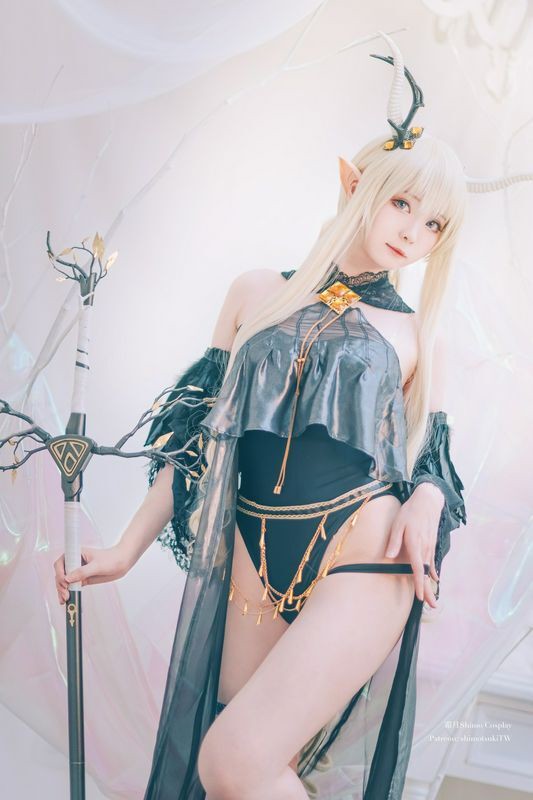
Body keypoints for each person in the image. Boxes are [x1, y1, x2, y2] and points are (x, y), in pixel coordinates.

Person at [53, 34, 468, 800]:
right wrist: (124, 549)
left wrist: (428, 495)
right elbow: (195, 437)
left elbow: (434, 458)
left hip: (364, 551)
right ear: (353, 184)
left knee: (232, 760)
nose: (413, 230)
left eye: (434, 223)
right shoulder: (255, 292)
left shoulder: (418, 334)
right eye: (402, 201)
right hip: (255, 547)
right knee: (236, 773)